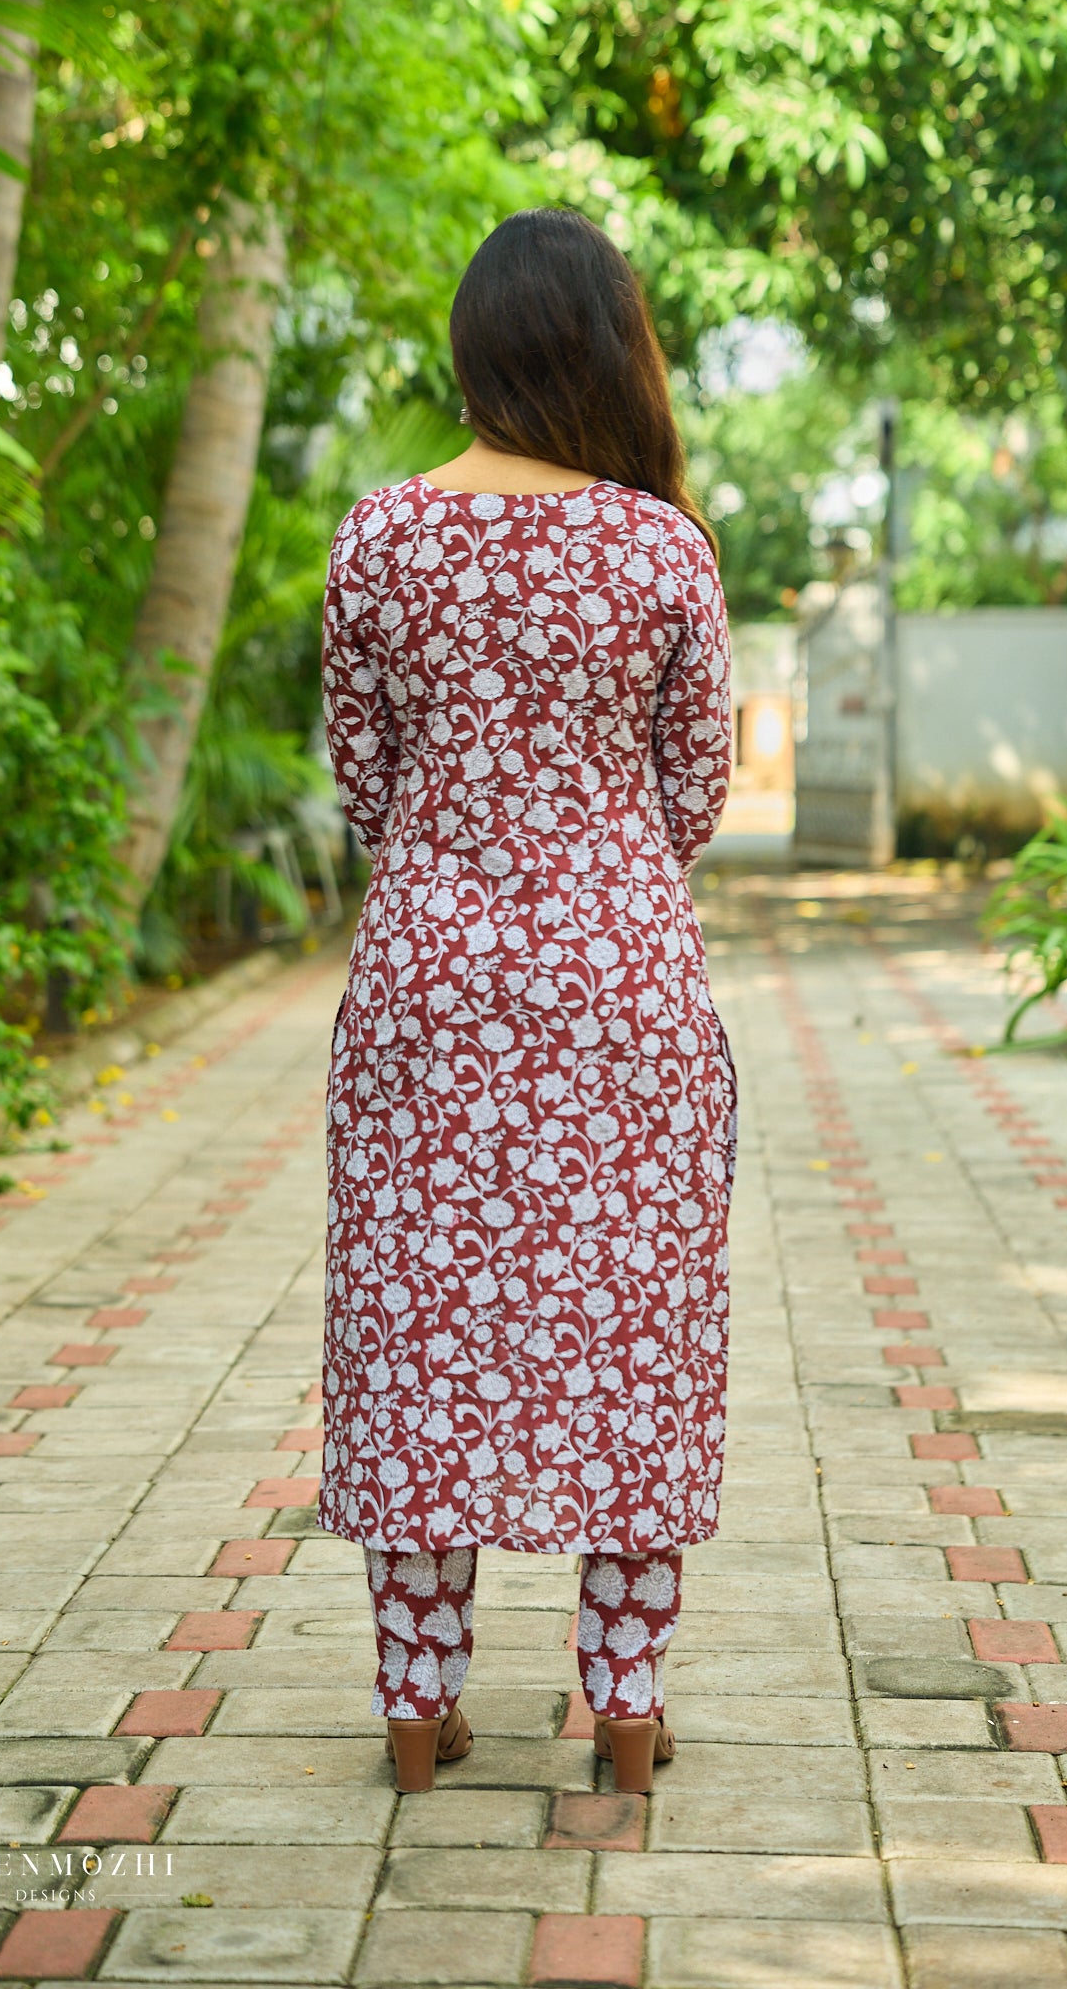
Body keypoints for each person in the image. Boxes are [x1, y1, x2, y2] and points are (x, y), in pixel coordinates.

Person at [318, 207, 737, 1794]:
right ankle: (622, 1710)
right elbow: (689, 794)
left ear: (474, 350)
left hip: (426, 981)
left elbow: (367, 783)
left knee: (420, 1327)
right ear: (611, 350)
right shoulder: (658, 549)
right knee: (631, 1333)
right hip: (621, 984)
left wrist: (458, 852)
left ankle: (416, 1709)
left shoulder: (379, 537)